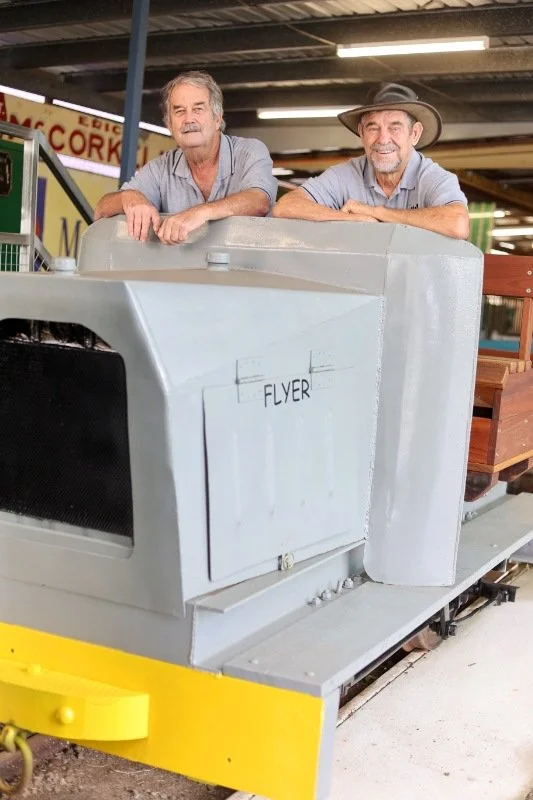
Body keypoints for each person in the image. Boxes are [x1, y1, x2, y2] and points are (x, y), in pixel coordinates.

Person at [95, 71, 277, 244]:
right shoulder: (161, 168)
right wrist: (131, 198)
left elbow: (259, 201)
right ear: (170, 125)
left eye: (198, 109)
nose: (189, 119)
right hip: (185, 274)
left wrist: (199, 213)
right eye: (179, 111)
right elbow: (102, 208)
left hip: (247, 272)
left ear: (217, 119)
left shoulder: (250, 152)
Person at [273, 83, 469, 240]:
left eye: (395, 127)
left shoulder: (434, 178)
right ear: (361, 133)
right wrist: (353, 219)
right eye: (373, 128)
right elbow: (286, 206)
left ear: (415, 133)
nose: (383, 139)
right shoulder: (346, 174)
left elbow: (458, 224)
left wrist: (377, 212)